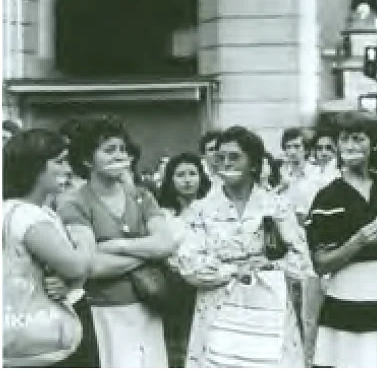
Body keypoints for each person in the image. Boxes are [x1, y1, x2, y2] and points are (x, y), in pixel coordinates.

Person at [171, 126, 314, 367]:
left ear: (254, 163)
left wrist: (269, 264)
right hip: (217, 312)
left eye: (234, 157)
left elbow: (301, 262)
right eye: (220, 157)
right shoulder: (201, 210)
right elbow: (188, 265)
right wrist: (233, 271)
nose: (226, 163)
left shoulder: (276, 206)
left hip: (270, 311)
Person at [57, 116, 177, 368]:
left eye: (123, 150)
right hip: (104, 311)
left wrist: (117, 246)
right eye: (109, 150)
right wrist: (148, 252)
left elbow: (167, 243)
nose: (119, 156)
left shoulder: (142, 197)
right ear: (88, 159)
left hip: (149, 307)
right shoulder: (74, 203)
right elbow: (91, 265)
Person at [306, 111, 377, 367]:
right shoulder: (327, 198)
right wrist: (358, 241)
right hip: (348, 301)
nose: (350, 146)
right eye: (344, 139)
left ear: (373, 144)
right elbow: (321, 264)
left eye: (358, 139)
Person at [3, 129, 95, 366]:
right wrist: (85, 236)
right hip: (43, 340)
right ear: (33, 166)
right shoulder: (28, 216)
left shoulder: (21, 211)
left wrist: (67, 282)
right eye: (59, 161)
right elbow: (75, 265)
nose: (68, 169)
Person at [157, 152, 212, 367]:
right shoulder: (163, 214)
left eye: (192, 173)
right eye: (180, 175)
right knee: (179, 345)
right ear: (171, 180)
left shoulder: (212, 209)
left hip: (209, 284)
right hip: (176, 287)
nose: (187, 179)